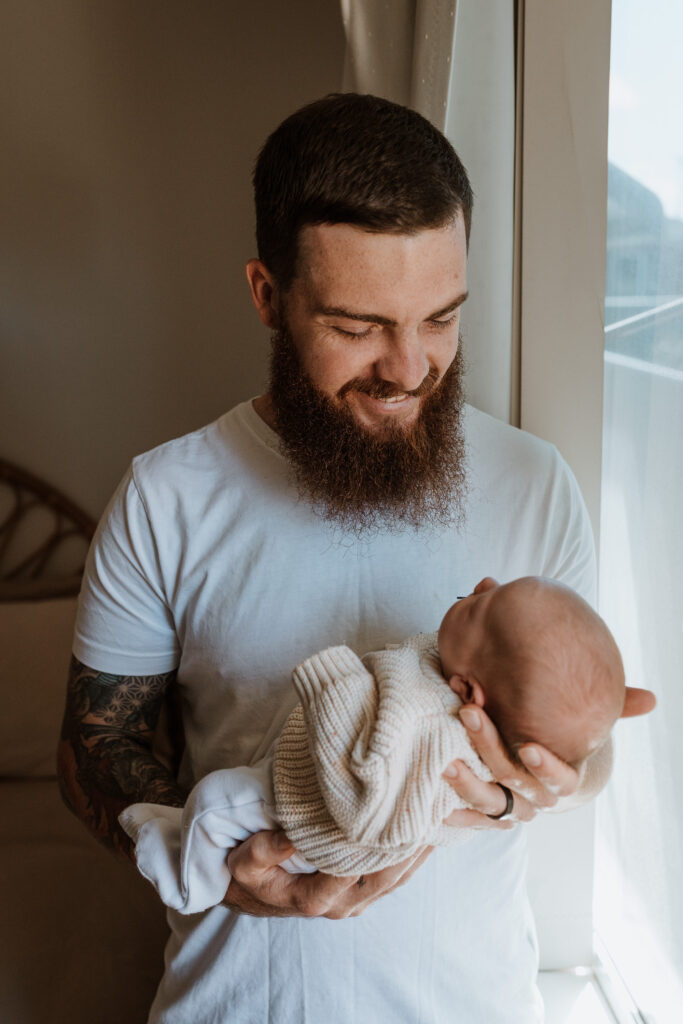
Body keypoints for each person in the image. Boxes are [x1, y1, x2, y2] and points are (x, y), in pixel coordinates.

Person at [57, 93, 655, 1023]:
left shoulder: (535, 485)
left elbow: (562, 745)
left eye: (441, 318)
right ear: (267, 295)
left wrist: (519, 795)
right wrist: (217, 868)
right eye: (357, 326)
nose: (410, 368)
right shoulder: (166, 497)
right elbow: (95, 751)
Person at [119, 575, 626, 917]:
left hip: (308, 819)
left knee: (214, 801)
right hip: (297, 788)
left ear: (471, 693)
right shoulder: (458, 676)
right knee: (219, 808)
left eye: (481, 607)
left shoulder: (431, 723)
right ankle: (177, 835)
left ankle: (190, 886)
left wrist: (335, 682)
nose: (484, 583)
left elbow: (369, 813)